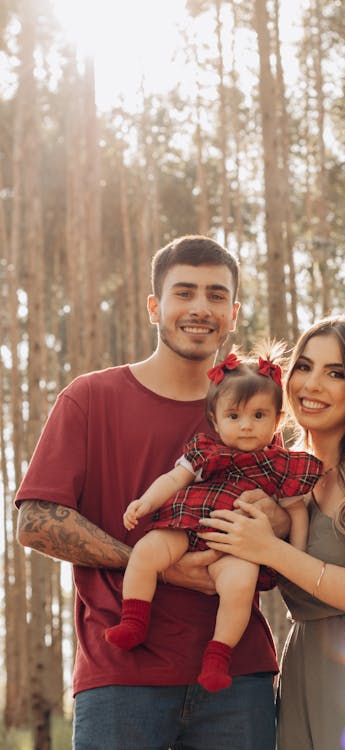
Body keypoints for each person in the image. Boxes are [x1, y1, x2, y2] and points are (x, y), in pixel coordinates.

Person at [15, 235, 290, 750]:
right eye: (183, 292)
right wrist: (155, 563)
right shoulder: (90, 399)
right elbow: (35, 521)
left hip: (237, 678)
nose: (199, 308)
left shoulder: (254, 417)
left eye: (215, 295)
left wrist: (276, 519)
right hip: (121, 677)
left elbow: (290, 519)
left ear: (233, 312)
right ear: (153, 306)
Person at [198, 315, 345, 750]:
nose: (311, 385)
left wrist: (270, 548)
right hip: (305, 665)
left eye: (336, 373)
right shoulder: (289, 478)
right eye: (305, 367)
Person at [105, 348, 323, 694]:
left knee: (239, 585)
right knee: (146, 551)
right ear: (215, 419)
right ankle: (134, 618)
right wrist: (145, 502)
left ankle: (218, 654)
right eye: (234, 416)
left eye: (259, 415)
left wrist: (294, 560)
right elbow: (174, 479)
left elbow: (296, 512)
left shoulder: (282, 465)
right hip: (188, 524)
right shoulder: (206, 450)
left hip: (236, 547)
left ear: (278, 420)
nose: (246, 425)